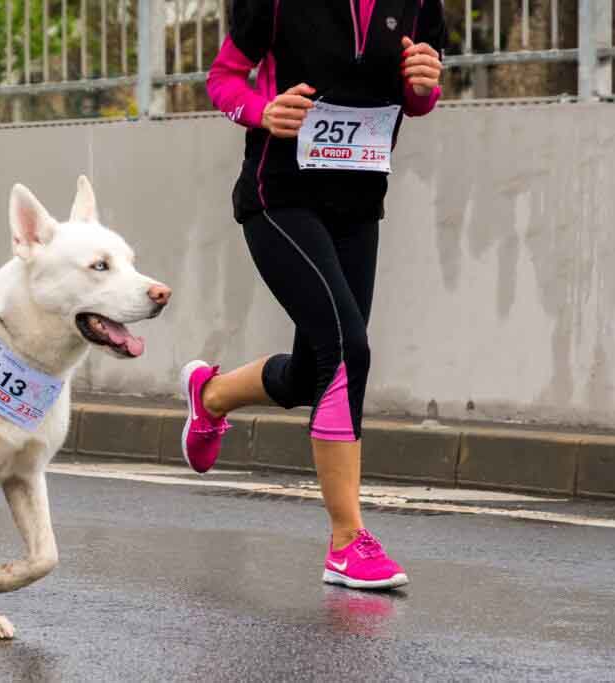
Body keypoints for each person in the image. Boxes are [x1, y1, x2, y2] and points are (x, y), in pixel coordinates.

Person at [181, 1, 446, 590]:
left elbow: (418, 96)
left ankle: (212, 394)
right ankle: (348, 541)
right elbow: (223, 79)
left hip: (358, 207)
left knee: (312, 372)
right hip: (279, 199)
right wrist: (260, 110)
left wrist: (425, 86)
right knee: (349, 350)